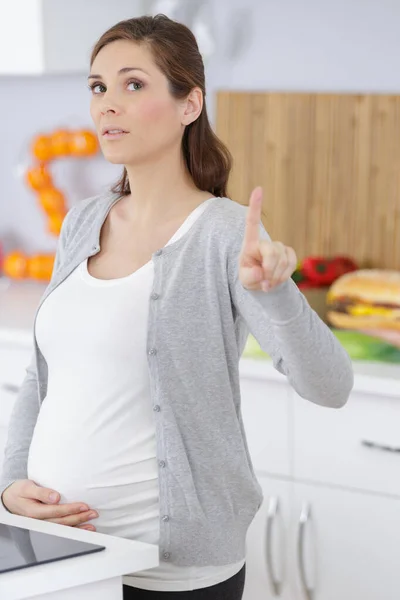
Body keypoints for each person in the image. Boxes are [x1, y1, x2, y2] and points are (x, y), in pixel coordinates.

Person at [0, 14, 354, 600]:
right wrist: (9, 483)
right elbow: (41, 380)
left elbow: (331, 386)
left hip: (168, 573)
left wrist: (275, 294)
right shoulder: (83, 220)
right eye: (98, 86)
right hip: (64, 557)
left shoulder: (223, 234)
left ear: (189, 104)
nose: (108, 104)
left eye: (133, 85)